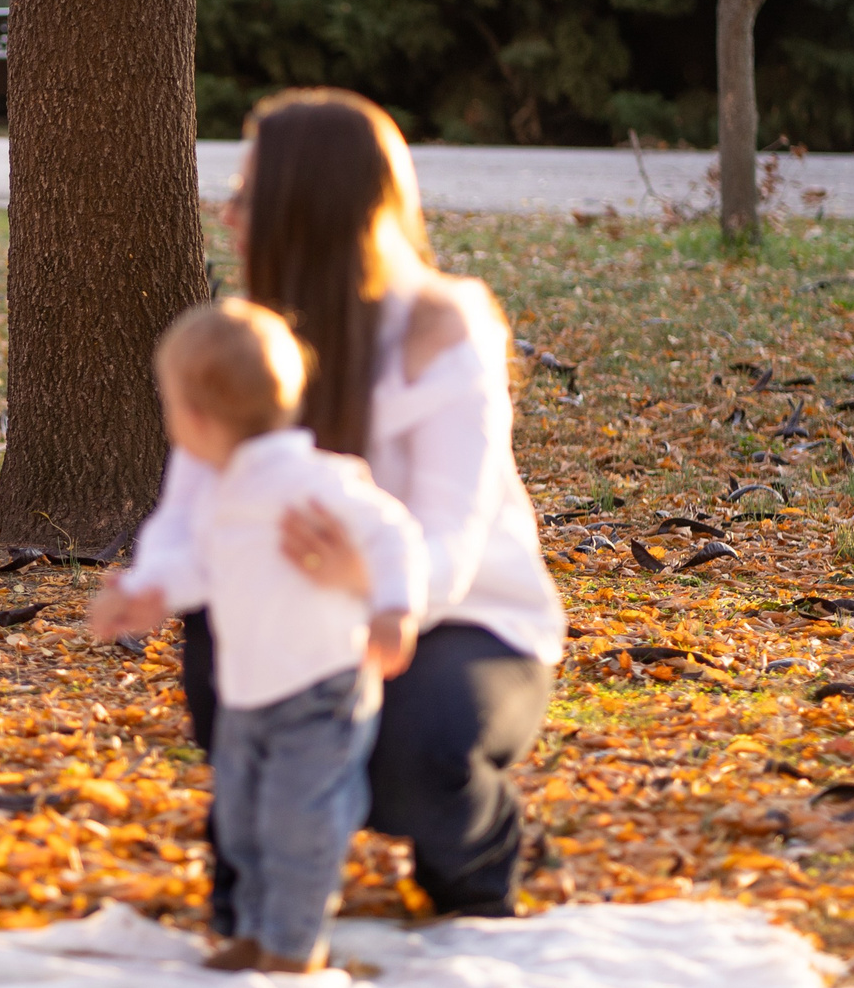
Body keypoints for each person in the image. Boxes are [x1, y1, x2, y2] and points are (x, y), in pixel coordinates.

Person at [105, 89, 564, 929]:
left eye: (249, 196)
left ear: (305, 213)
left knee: (410, 753)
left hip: (464, 618)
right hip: (310, 612)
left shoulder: (443, 327)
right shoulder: (253, 343)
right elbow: (193, 501)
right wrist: (151, 582)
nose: (229, 214)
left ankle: (476, 849)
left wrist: (375, 583)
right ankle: (260, 869)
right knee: (219, 632)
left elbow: (453, 531)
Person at [96, 298, 424, 974]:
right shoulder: (221, 492)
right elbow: (198, 567)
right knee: (243, 820)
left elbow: (394, 533)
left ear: (194, 417)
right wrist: (146, 596)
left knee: (298, 822)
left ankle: (294, 945)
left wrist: (394, 606)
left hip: (322, 686)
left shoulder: (318, 479)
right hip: (249, 692)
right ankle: (251, 929)